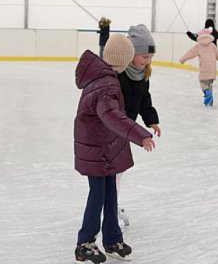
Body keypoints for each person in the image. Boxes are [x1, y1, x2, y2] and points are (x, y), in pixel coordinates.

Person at [73, 34, 155, 263]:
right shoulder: (107, 83)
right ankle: (85, 243)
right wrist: (140, 134)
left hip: (104, 147)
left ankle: (111, 239)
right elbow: (112, 117)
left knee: (110, 196)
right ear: (123, 60)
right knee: (98, 196)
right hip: (98, 149)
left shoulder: (103, 77)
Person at [115, 24, 161, 229]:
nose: (147, 61)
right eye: (144, 56)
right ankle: (110, 207)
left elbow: (144, 99)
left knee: (118, 170)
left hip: (126, 129)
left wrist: (151, 119)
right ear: (131, 53)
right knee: (114, 170)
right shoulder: (118, 74)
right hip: (113, 127)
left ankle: (111, 204)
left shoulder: (142, 76)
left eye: (150, 57)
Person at [179, 27, 218, 106]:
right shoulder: (212, 45)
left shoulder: (199, 46)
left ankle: (207, 93)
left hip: (204, 68)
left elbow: (190, 53)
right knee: (209, 83)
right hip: (212, 69)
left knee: (203, 82)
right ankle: (210, 100)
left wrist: (183, 59)